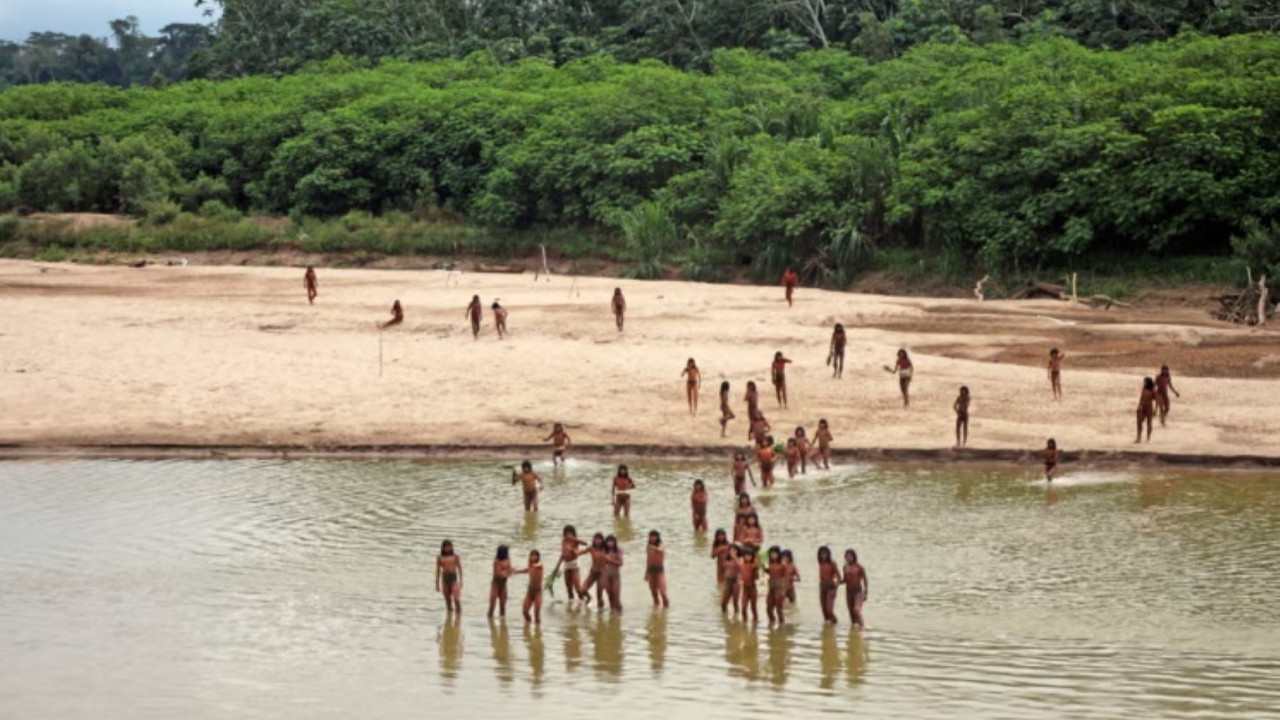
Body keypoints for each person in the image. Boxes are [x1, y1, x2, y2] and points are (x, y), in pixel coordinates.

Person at [557, 525, 590, 606]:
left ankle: (587, 599)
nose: (568, 535)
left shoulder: (575, 541)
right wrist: (557, 567)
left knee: (578, 588)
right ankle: (571, 606)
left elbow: (586, 543)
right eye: (567, 533)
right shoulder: (564, 541)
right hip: (567, 565)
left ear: (573, 533)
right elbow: (563, 554)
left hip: (575, 565)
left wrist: (574, 539)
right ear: (564, 534)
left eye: (570, 533)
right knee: (568, 588)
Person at [513, 549, 544, 625]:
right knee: (525, 612)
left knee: (537, 614)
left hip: (538, 592)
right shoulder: (530, 566)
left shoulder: (539, 566)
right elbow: (525, 570)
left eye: (535, 556)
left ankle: (538, 631)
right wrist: (514, 571)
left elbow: (539, 565)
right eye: (531, 555)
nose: (533, 557)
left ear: (538, 557)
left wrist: (533, 565)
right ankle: (528, 625)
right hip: (530, 591)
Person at [578, 533, 607, 608]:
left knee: (599, 596)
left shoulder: (606, 549)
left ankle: (600, 615)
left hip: (602, 574)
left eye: (599, 539)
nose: (597, 541)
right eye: (595, 539)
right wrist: (573, 552)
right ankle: (589, 597)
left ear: (602, 540)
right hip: (593, 572)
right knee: (581, 590)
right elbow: (580, 552)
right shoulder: (591, 548)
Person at [843, 549, 869, 628]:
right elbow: (845, 580)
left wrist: (865, 592)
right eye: (847, 556)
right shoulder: (845, 567)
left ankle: (863, 626)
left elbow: (865, 580)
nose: (848, 558)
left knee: (856, 610)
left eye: (850, 556)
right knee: (851, 613)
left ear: (854, 557)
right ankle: (855, 632)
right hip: (849, 591)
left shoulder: (859, 567)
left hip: (858, 591)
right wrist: (837, 582)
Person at [436, 539, 463, 614]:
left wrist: (461, 581)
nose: (447, 548)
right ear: (443, 548)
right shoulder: (440, 558)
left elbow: (460, 568)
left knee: (456, 599)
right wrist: (437, 583)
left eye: (449, 547)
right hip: (445, 578)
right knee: (447, 600)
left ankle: (458, 616)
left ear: (451, 547)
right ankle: (449, 617)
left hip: (453, 578)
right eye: (445, 547)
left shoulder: (455, 557)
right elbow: (438, 571)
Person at [644, 530, 669, 608]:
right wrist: (646, 573)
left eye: (654, 536)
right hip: (651, 570)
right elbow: (648, 560)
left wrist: (653, 547)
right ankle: (656, 610)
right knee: (654, 592)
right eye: (651, 536)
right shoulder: (648, 547)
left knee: (663, 592)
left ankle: (666, 610)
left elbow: (660, 550)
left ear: (658, 537)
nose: (652, 538)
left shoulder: (661, 545)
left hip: (659, 571)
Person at [817, 546, 841, 624]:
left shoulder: (832, 563)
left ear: (828, 554)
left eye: (825, 554)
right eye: (822, 554)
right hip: (822, 587)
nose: (823, 556)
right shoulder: (820, 563)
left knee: (829, 610)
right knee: (824, 609)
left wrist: (836, 586)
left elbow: (839, 577)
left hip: (831, 587)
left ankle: (835, 623)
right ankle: (828, 627)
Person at [488, 545, 513, 618]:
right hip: (495, 584)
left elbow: (509, 571)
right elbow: (498, 574)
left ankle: (502, 622)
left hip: (504, 584)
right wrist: (508, 572)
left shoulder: (508, 560)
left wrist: (509, 572)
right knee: (492, 605)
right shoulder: (496, 562)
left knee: (503, 605)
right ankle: (490, 619)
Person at [602, 535, 624, 613]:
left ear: (615, 542)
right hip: (606, 576)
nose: (610, 543)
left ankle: (619, 612)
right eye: (608, 541)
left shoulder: (618, 550)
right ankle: (612, 612)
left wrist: (610, 560)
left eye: (612, 541)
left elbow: (621, 563)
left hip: (615, 576)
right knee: (610, 595)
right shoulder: (604, 550)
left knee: (616, 595)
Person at [766, 546, 787, 625]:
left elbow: (785, 578)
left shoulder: (782, 565)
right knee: (768, 608)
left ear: (778, 554)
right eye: (771, 554)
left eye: (775, 554)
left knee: (779, 608)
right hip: (771, 585)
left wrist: (784, 591)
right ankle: (772, 622)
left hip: (779, 586)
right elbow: (770, 572)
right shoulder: (770, 564)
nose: (773, 555)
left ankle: (781, 625)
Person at [740, 545, 761, 623]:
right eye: (746, 556)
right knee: (743, 607)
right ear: (744, 556)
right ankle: (744, 623)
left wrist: (756, 570)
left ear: (752, 557)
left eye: (749, 556)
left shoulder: (753, 566)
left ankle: (755, 623)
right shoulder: (742, 565)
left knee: (753, 608)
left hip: (752, 589)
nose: (748, 557)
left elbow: (757, 577)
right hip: (745, 589)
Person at [721, 544, 742, 616]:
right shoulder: (727, 559)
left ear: (738, 551)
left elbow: (741, 567)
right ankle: (725, 618)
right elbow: (723, 568)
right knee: (723, 603)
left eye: (734, 550)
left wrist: (734, 557)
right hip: (727, 581)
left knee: (735, 602)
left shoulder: (739, 559)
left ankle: (736, 618)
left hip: (736, 581)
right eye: (731, 550)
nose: (732, 551)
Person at [1136, 377, 1157, 443]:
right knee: (1139, 422)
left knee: (1149, 423)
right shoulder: (1143, 389)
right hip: (1142, 407)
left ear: (1148, 382)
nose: (1144, 383)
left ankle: (1148, 438)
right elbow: (1141, 398)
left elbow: (1156, 400)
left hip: (1149, 407)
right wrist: (1138, 406)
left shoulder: (1152, 390)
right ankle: (1138, 438)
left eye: (1145, 382)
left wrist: (1155, 410)